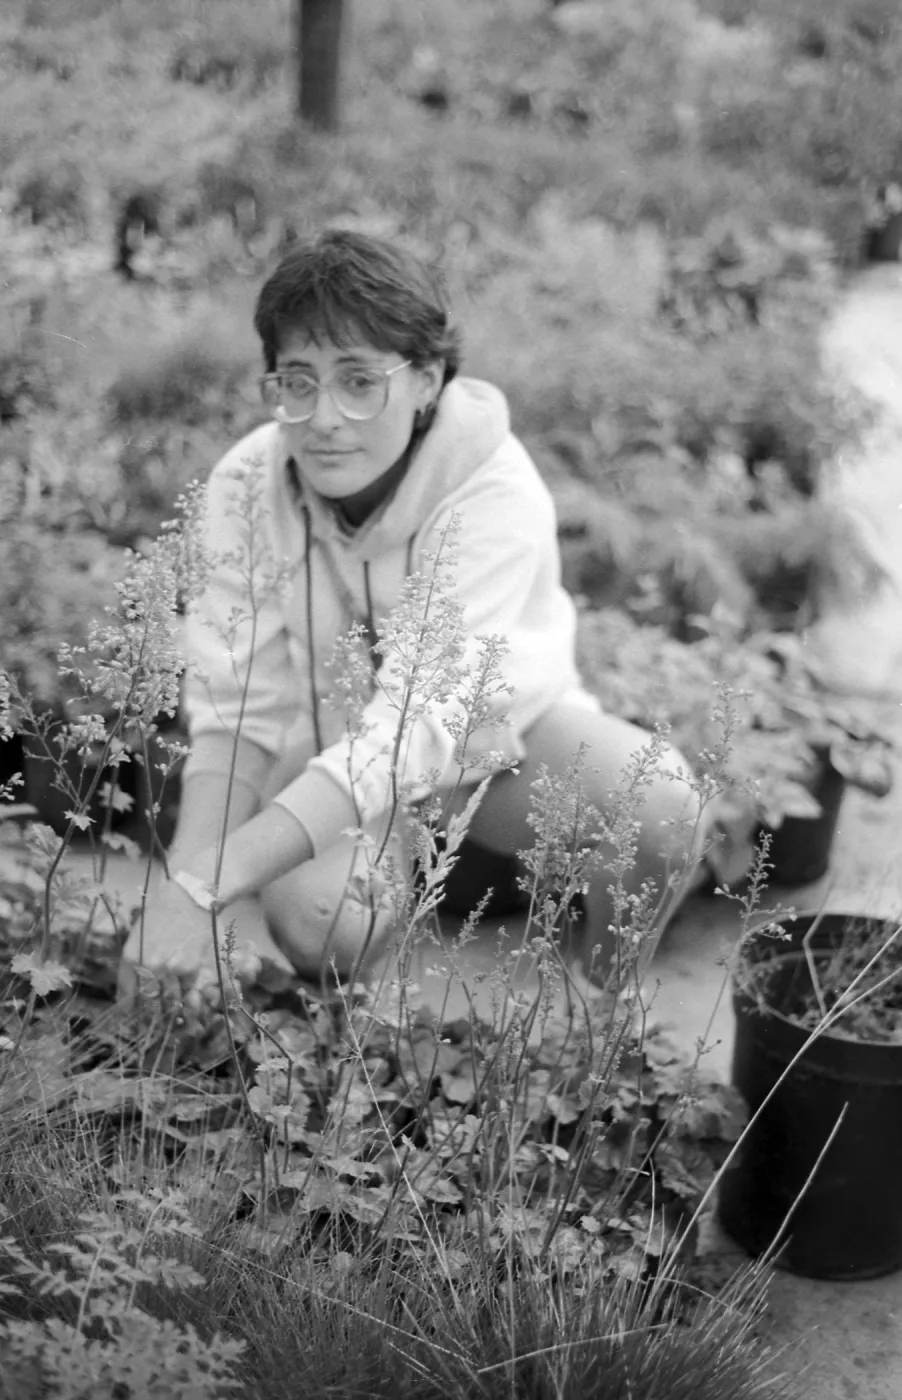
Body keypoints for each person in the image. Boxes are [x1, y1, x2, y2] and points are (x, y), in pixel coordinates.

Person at [120, 228, 709, 997]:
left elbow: (421, 721)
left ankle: (602, 1015)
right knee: (325, 922)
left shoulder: (493, 488)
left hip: (496, 746)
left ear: (426, 380)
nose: (323, 417)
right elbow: (236, 709)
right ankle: (344, 1045)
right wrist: (181, 890)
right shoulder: (247, 483)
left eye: (360, 380)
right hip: (337, 743)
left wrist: (212, 881)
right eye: (297, 380)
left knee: (662, 806)